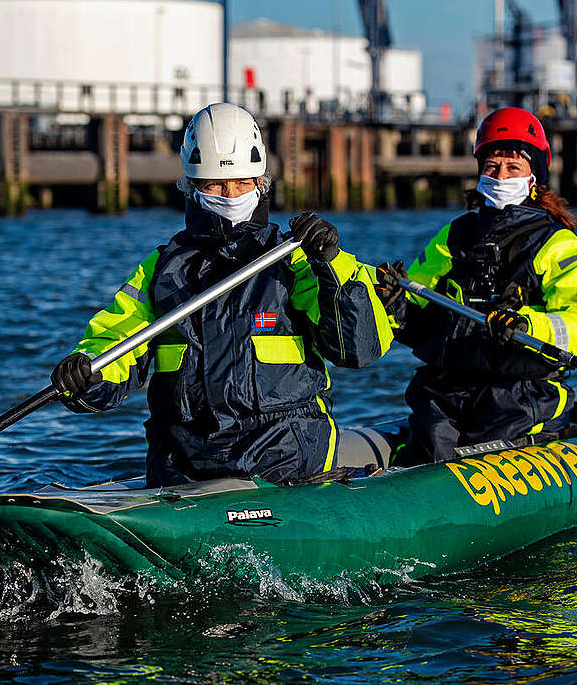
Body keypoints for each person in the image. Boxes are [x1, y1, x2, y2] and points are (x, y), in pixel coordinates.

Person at [51, 102, 393, 486]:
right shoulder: (162, 268)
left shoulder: (298, 257)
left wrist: (331, 263)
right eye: (215, 184)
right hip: (185, 462)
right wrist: (87, 371)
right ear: (192, 187)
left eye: (242, 183)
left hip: (284, 458)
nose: (230, 194)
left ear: (260, 183)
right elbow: (116, 337)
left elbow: (361, 347)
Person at [376, 107, 577, 463]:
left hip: (520, 396)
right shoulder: (455, 235)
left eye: (513, 167)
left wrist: (529, 325)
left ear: (534, 177)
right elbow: (422, 314)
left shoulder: (557, 243)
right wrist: (397, 305)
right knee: (427, 446)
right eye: (492, 167)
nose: (501, 176)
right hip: (444, 391)